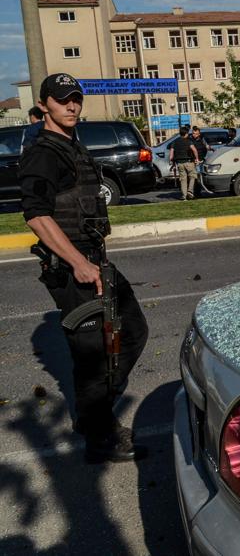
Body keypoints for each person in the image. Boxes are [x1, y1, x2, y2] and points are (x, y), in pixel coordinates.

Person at [18, 73, 149, 463]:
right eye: (62, 100)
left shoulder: (70, 145)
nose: (72, 105)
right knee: (93, 356)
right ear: (44, 105)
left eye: (76, 98)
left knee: (132, 332)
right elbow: (36, 216)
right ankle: (100, 436)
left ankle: (94, 417)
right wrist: (78, 264)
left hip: (94, 260)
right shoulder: (44, 152)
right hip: (72, 265)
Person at [169, 125, 199, 200]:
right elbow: (194, 150)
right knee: (193, 176)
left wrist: (172, 163)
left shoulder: (175, 142)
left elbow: (171, 154)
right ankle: (190, 191)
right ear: (186, 134)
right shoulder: (188, 141)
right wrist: (197, 159)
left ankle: (184, 196)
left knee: (183, 179)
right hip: (189, 162)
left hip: (179, 163)